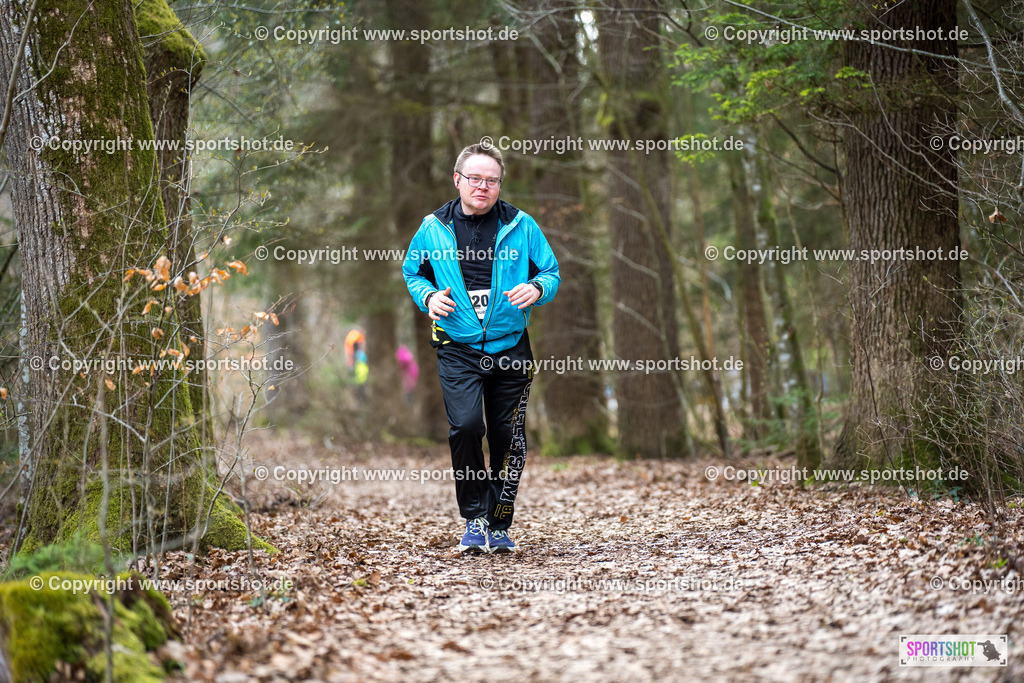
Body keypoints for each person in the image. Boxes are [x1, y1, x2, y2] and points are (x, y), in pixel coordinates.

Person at [402, 143, 560, 554]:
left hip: (511, 345)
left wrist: (537, 287)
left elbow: (550, 271)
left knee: (509, 437)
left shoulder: (521, 225)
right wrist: (428, 297)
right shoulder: (433, 226)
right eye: (475, 179)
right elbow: (413, 272)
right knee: (468, 426)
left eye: (491, 181)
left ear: (499, 184)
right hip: (457, 346)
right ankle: (474, 517)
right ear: (458, 180)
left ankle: (500, 523)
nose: (483, 187)